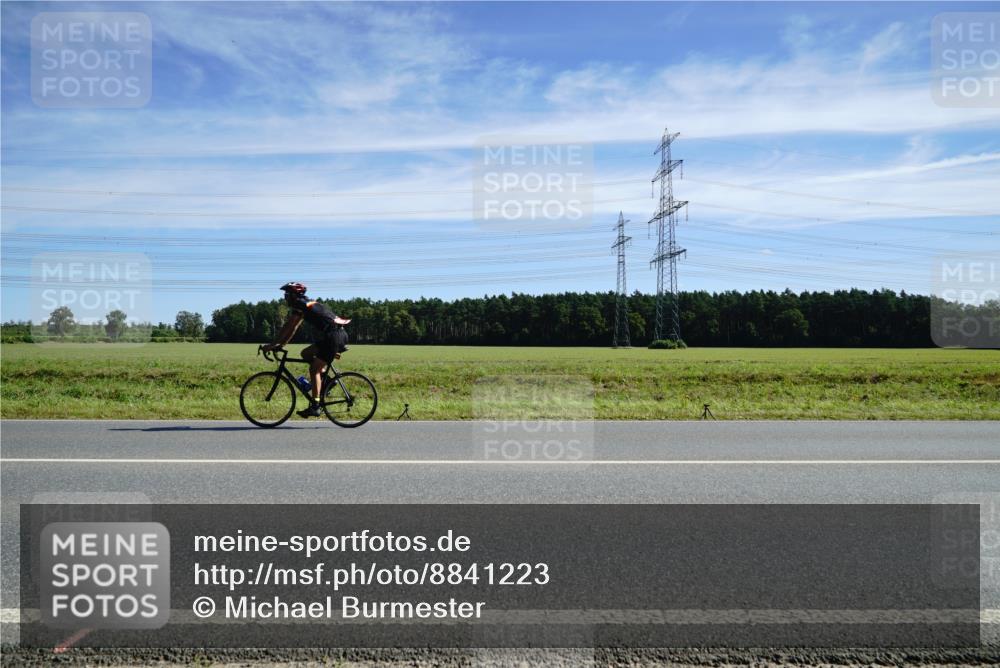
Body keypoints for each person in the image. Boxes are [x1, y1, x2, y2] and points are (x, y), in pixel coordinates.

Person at [263, 282, 350, 418]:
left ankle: (315, 406)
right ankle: (325, 381)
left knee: (314, 369)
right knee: (306, 354)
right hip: (335, 336)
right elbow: (293, 327)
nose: (285, 298)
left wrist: (273, 344)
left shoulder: (301, 304)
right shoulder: (305, 304)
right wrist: (281, 344)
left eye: (286, 294)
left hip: (333, 337)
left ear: (294, 295)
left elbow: (289, 327)